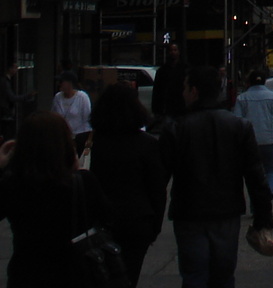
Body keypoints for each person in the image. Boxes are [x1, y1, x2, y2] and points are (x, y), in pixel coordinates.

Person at [161, 65, 273, 288]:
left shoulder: (176, 128)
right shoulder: (238, 126)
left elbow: (160, 177)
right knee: (223, 275)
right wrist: (263, 216)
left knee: (194, 275)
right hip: (226, 211)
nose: (183, 93)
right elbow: (255, 175)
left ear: (194, 91)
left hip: (189, 212)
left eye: (185, 88)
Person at [0, 111, 115, 288]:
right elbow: (108, 217)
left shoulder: (13, 184)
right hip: (74, 271)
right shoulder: (82, 182)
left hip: (27, 272)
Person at [88, 81, 168, 287]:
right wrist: (154, 227)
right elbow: (157, 190)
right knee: (129, 276)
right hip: (137, 220)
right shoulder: (148, 144)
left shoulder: (94, 144)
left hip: (101, 221)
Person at [232, 70, 273, 193]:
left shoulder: (242, 98)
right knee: (270, 170)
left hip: (249, 142)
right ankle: (269, 192)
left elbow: (238, 122)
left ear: (248, 82)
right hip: (269, 140)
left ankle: (255, 204)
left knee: (252, 174)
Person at [49, 75, 92, 156]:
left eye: (62, 82)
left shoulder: (82, 97)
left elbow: (87, 119)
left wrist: (88, 139)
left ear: (69, 84)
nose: (60, 84)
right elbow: (53, 116)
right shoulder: (58, 97)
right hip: (62, 135)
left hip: (79, 135)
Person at [152, 44, 187, 129]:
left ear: (179, 52)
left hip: (181, 106)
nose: (173, 52)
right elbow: (157, 90)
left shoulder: (185, 69)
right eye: (171, 50)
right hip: (168, 107)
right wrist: (157, 109)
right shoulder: (162, 70)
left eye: (175, 50)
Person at [0, 63, 17, 142]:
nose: (16, 70)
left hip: (5, 111)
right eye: (14, 68)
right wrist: (27, 96)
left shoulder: (6, 81)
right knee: (7, 135)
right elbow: (11, 97)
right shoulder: (5, 82)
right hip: (5, 112)